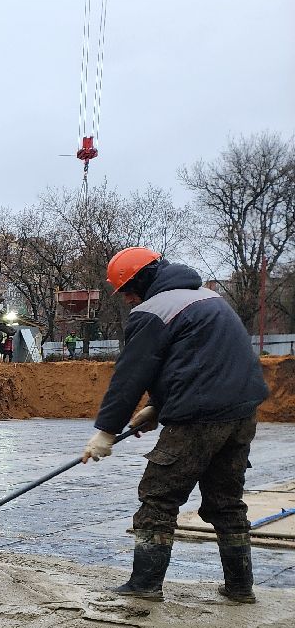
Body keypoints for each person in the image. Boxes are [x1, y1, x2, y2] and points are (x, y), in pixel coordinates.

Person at [81, 247, 269, 603]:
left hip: (199, 417)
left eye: (125, 291)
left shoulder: (153, 310)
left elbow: (131, 375)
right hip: (242, 413)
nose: (126, 299)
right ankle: (240, 588)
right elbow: (197, 361)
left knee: (159, 496)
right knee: (226, 501)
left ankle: (145, 585)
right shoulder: (208, 297)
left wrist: (105, 432)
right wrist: (156, 407)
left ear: (139, 281)